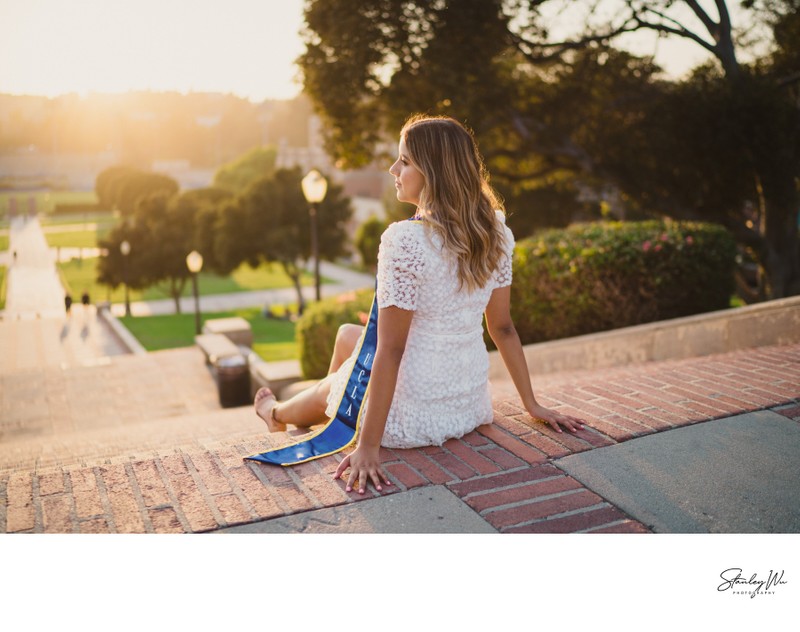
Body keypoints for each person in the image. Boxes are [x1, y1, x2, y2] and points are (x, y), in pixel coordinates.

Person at [253, 114, 587, 494]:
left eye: (405, 161)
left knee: (336, 383)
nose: (393, 169)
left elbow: (392, 350)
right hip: (468, 402)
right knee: (349, 335)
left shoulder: (404, 240)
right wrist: (532, 404)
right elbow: (503, 327)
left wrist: (368, 448)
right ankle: (333, 414)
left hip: (413, 409)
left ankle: (276, 414)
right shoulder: (495, 231)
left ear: (434, 172)